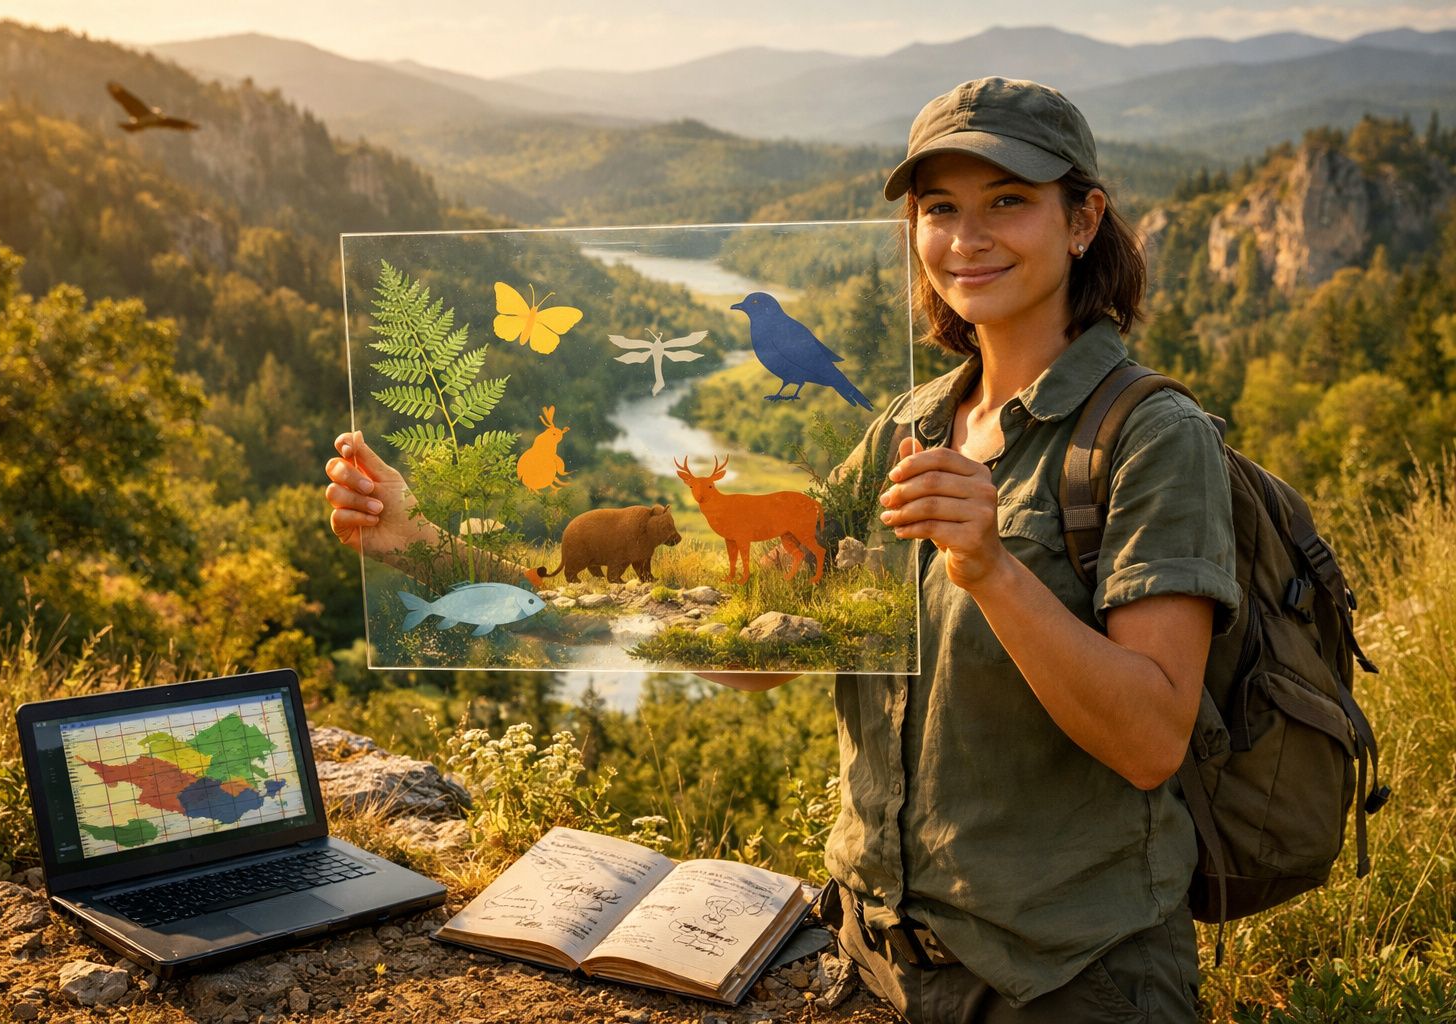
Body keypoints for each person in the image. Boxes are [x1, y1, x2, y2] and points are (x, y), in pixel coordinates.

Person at [325, 76, 1239, 1023]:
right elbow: (736, 650)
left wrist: (992, 569)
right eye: (939, 210)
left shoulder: (1150, 438)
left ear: (1083, 220)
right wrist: (422, 547)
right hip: (870, 963)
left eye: (1007, 202)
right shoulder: (905, 429)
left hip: (1068, 983)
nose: (967, 239)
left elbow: (1150, 741)